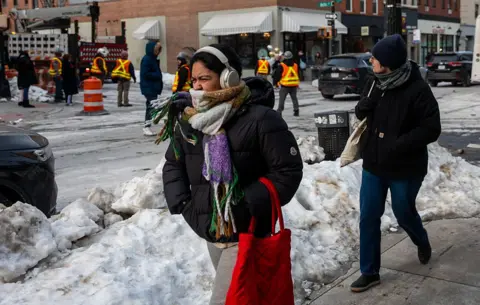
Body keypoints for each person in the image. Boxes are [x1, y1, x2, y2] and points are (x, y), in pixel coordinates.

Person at [159, 44, 303, 305]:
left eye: (204, 78)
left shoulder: (261, 119)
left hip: (246, 231)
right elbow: (173, 164)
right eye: (194, 80)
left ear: (229, 77)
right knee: (245, 296)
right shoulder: (190, 119)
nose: (197, 86)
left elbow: (288, 171)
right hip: (210, 229)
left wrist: (245, 203)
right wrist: (183, 203)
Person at [351, 34, 441, 293]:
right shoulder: (373, 83)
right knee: (368, 217)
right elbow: (361, 111)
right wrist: (362, 107)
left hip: (405, 167)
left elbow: (431, 128)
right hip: (374, 164)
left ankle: (421, 240)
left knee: (403, 213)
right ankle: (369, 272)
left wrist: (399, 143)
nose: (371, 60)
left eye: (375, 58)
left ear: (388, 62)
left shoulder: (417, 89)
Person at [140, 40, 163, 136]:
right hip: (149, 87)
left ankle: (148, 125)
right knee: (151, 107)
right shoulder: (147, 59)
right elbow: (145, 74)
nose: (158, 52)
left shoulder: (152, 59)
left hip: (152, 87)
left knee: (151, 106)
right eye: (157, 50)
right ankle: (146, 126)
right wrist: (157, 75)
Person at [273, 51, 300, 117]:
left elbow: (277, 75)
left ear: (285, 57)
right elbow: (297, 74)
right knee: (294, 99)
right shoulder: (295, 65)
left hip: (285, 86)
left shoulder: (282, 65)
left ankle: (279, 111)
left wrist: (275, 83)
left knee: (282, 99)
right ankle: (296, 111)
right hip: (294, 85)